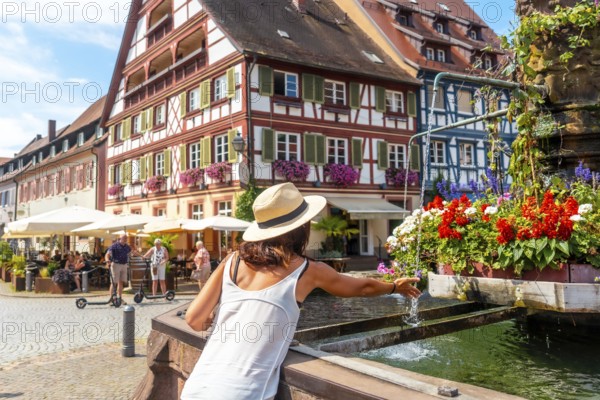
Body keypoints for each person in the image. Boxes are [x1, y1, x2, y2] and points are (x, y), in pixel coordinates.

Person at [181, 183, 421, 399]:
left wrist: (222, 321)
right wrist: (393, 286)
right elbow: (363, 286)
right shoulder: (307, 270)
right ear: (300, 228)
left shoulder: (231, 261)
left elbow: (194, 319)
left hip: (197, 387)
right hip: (244, 393)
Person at [105, 234, 140, 304]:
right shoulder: (114, 246)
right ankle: (112, 299)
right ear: (120, 238)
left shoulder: (127, 247)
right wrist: (107, 260)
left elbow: (132, 253)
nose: (125, 239)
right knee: (114, 282)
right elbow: (107, 254)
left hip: (124, 265)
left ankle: (119, 298)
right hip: (116, 264)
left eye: (126, 238)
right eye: (124, 238)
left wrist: (139, 254)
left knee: (121, 282)